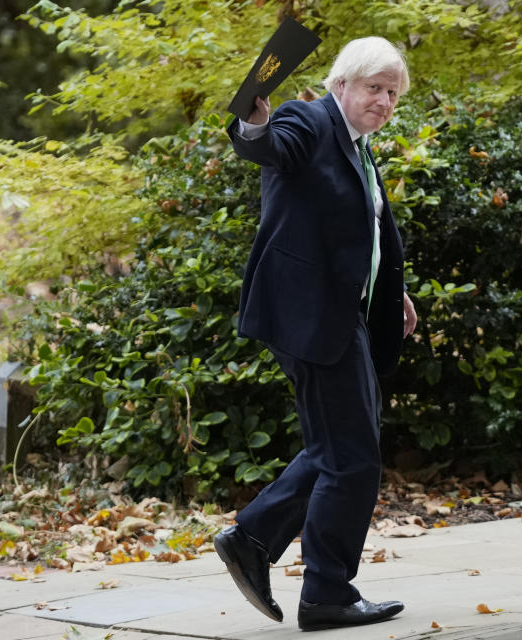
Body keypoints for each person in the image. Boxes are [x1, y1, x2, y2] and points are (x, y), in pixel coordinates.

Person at [213, 36, 417, 631]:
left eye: (393, 93)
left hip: (337, 311)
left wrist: (385, 287)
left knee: (340, 446)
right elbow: (271, 146)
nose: (384, 101)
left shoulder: (356, 144)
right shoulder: (310, 118)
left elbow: (354, 230)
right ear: (342, 85)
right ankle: (326, 592)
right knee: (352, 458)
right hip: (307, 314)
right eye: (375, 88)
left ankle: (252, 537)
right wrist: (254, 121)